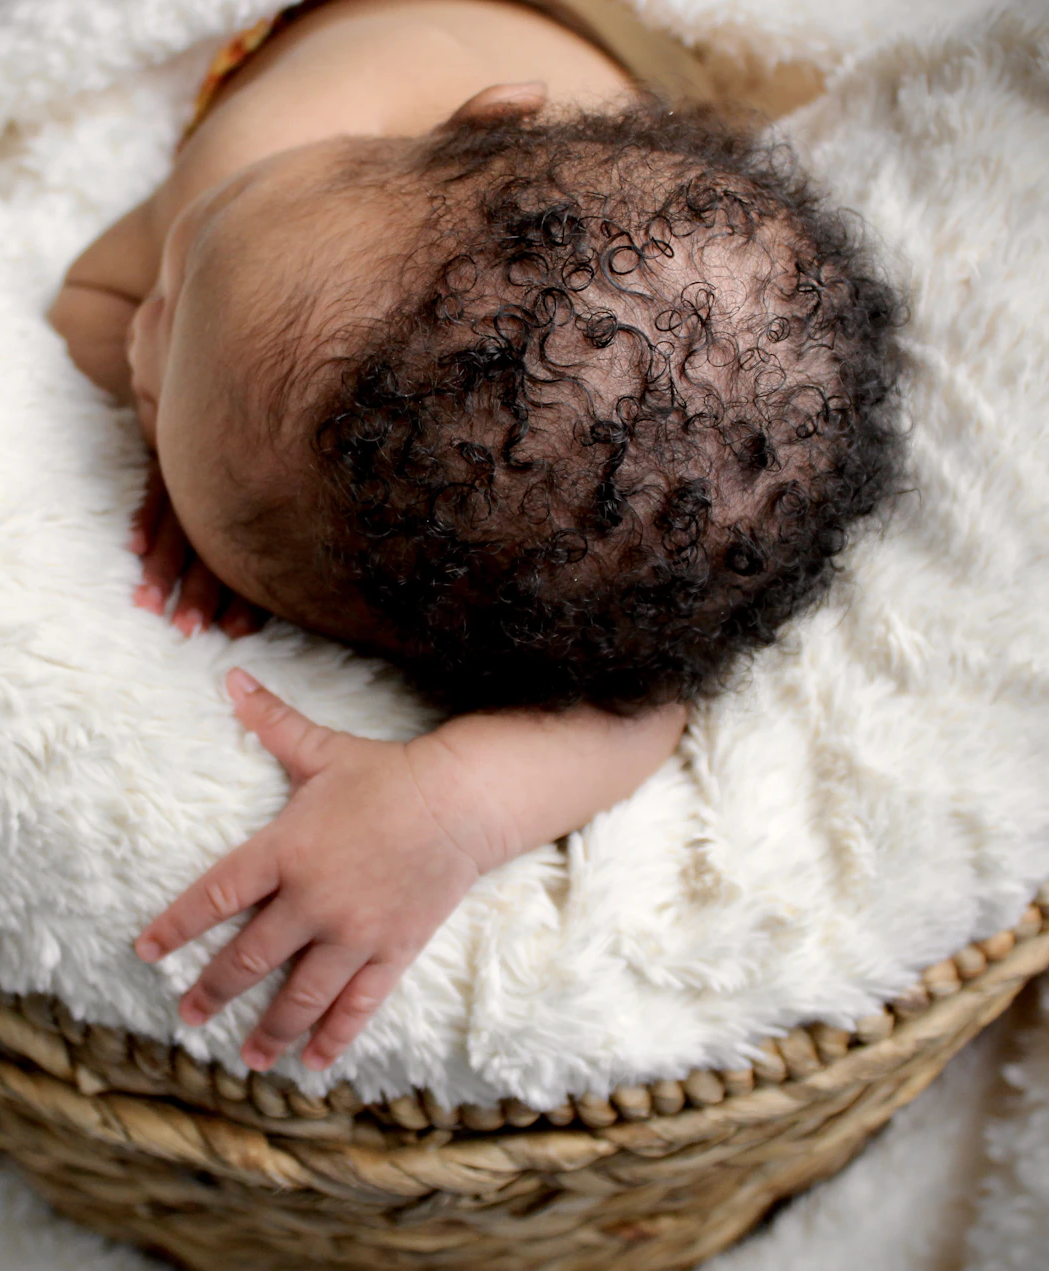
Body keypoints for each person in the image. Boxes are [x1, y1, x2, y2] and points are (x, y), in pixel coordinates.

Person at [46, 0, 903, 1076]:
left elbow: (633, 710)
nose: (142, 327)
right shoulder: (252, 168)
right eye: (173, 296)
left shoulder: (269, 237)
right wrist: (156, 447)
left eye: (165, 308)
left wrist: (444, 814)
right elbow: (93, 295)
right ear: (477, 122)